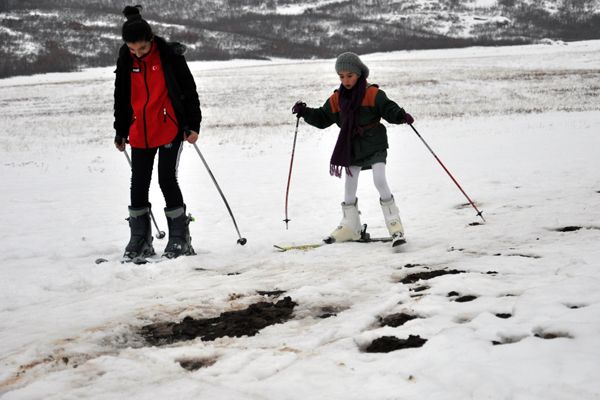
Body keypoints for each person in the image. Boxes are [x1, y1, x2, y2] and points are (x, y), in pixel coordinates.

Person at [292, 52, 414, 247]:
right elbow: (323, 118)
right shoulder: (336, 99)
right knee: (350, 184)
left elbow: (388, 108)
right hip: (352, 146)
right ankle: (350, 226)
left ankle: (394, 224)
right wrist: (305, 112)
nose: (346, 80)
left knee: (379, 180)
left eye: (349, 75)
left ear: (358, 74)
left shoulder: (372, 93)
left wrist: (400, 115)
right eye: (341, 76)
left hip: (374, 142)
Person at [113, 5, 201, 259]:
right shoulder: (126, 60)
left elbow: (188, 91)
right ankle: (140, 239)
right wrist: (120, 130)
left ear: (151, 40)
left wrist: (193, 125)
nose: (138, 54)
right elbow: (121, 97)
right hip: (139, 131)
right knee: (138, 183)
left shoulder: (169, 56)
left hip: (169, 128)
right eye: (132, 49)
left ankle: (180, 239)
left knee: (166, 178)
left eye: (142, 48)